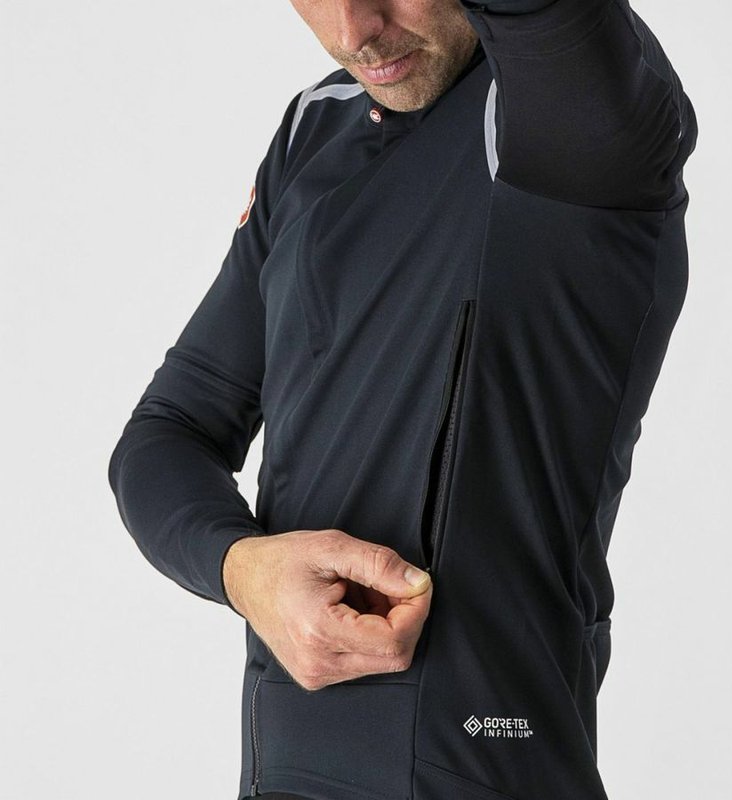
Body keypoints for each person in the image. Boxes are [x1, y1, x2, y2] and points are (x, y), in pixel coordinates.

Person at [107, 1, 698, 798]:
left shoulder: (571, 110)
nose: (355, 31)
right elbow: (169, 431)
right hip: (281, 768)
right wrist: (240, 568)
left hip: (482, 765)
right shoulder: (317, 127)